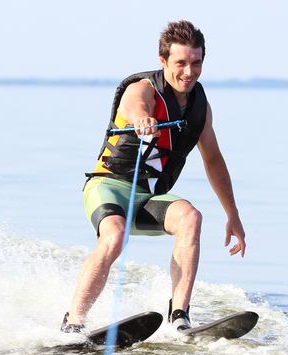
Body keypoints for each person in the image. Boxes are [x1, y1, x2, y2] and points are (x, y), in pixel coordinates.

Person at [61, 20, 246, 332]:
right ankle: (73, 323)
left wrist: (233, 214)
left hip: (149, 199)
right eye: (181, 63)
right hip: (108, 187)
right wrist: (141, 118)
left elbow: (213, 161)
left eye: (196, 63)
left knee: (190, 217)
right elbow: (134, 106)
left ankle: (180, 317)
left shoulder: (201, 107)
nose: (189, 72)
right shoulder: (142, 89)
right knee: (115, 236)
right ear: (163, 61)